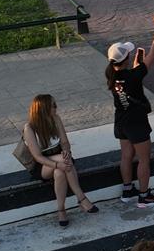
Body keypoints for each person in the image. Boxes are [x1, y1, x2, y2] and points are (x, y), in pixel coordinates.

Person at [107, 15, 154, 208]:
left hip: (121, 121)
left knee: (126, 155)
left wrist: (136, 65)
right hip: (137, 122)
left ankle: (127, 190)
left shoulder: (111, 75)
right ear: (126, 59)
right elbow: (153, 52)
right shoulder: (134, 76)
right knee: (143, 159)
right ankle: (144, 196)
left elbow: (129, 80)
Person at [23, 94, 98, 227]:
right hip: (42, 165)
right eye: (53, 106)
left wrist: (66, 150)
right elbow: (38, 157)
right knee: (64, 163)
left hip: (60, 159)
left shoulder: (56, 119)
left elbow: (65, 142)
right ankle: (81, 198)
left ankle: (61, 210)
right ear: (44, 108)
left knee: (59, 173)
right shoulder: (29, 128)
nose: (56, 108)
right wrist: (58, 163)